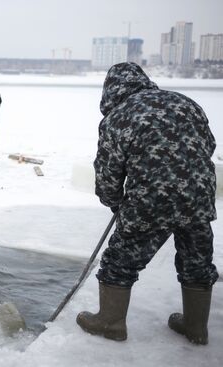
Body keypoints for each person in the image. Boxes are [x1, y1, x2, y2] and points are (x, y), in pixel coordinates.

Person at [76, 62, 218, 345]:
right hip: (198, 198)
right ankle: (196, 327)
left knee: (120, 260)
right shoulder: (186, 104)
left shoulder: (119, 117)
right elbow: (209, 145)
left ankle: (111, 322)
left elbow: (108, 172)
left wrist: (113, 201)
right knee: (197, 260)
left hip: (150, 201)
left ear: (111, 90)